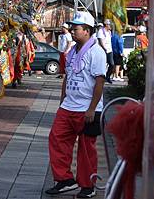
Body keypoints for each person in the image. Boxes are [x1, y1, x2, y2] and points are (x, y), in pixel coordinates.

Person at [46, 11, 106, 198]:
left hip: (88, 109)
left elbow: (99, 82)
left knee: (87, 149)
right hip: (68, 107)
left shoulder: (97, 52)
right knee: (57, 139)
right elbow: (67, 76)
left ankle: (88, 185)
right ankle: (65, 180)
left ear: (87, 30)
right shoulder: (72, 50)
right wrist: (62, 99)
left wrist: (91, 108)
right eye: (71, 28)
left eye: (76, 28)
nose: (72, 31)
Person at [96, 19, 114, 83]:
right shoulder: (101, 31)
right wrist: (104, 48)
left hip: (109, 50)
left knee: (112, 64)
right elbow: (100, 41)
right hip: (103, 50)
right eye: (109, 25)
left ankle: (107, 77)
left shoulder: (109, 32)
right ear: (106, 25)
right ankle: (100, 78)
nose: (110, 26)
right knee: (102, 65)